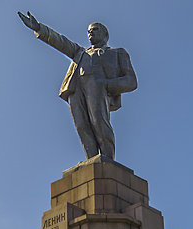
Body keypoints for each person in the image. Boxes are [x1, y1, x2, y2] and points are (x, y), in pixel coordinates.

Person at [18, 11, 137, 161]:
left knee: (99, 123)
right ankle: (91, 161)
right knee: (82, 126)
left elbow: (131, 81)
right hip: (76, 88)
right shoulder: (80, 52)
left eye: (95, 29)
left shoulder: (118, 53)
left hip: (98, 86)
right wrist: (39, 28)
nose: (90, 33)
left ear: (105, 34)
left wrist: (106, 85)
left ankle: (107, 160)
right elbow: (61, 42)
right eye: (88, 31)